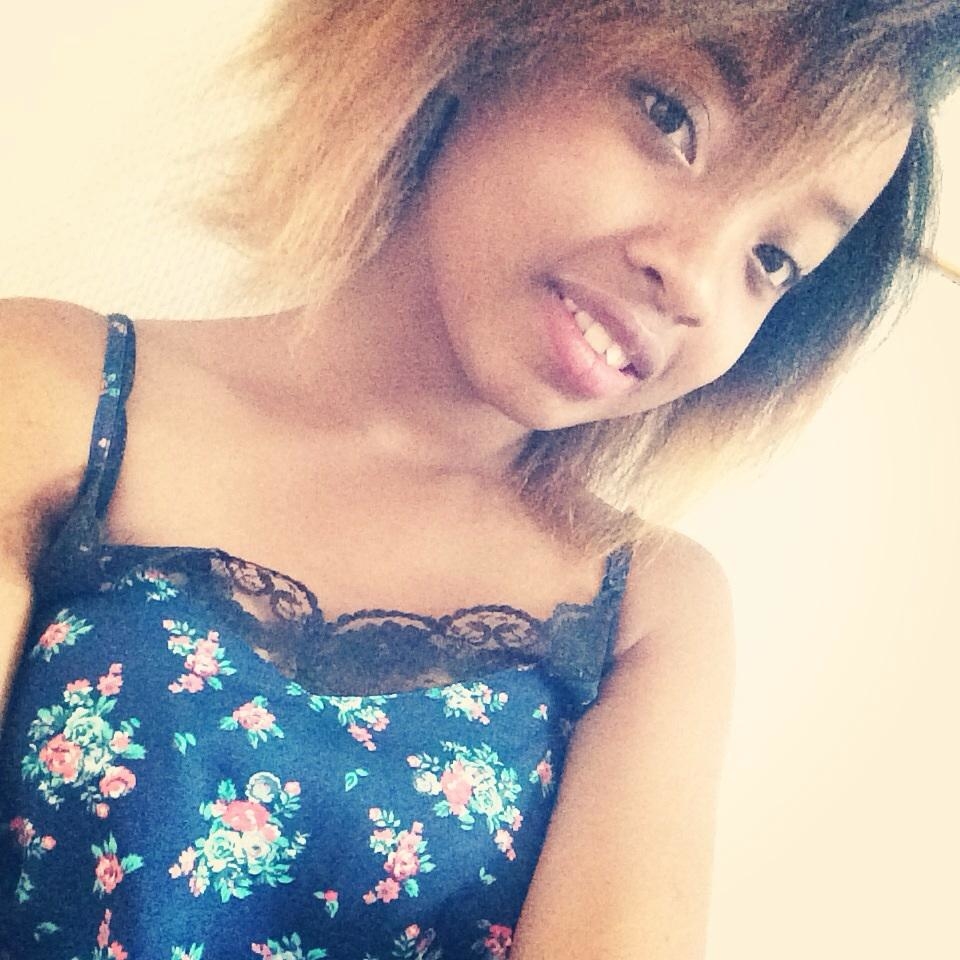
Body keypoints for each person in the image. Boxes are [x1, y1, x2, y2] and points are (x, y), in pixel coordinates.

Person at [0, 2, 957, 958]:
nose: (698, 283)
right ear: (483, 36)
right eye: (673, 118)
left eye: (773, 258)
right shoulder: (47, 386)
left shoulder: (650, 612)